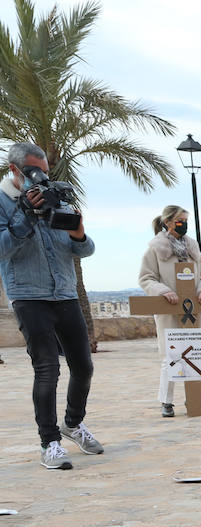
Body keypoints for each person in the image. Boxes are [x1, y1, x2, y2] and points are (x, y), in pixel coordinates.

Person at [1, 140, 99, 469]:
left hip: (65, 293)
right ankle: (50, 442)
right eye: (33, 172)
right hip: (29, 296)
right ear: (14, 170)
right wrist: (26, 217)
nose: (41, 178)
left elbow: (84, 251)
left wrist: (79, 233)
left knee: (83, 366)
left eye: (44, 171)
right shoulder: (3, 202)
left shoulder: (56, 194)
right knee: (47, 369)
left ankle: (72, 424)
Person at [139, 205, 201, 417]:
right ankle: (167, 401)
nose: (184, 224)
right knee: (171, 356)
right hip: (170, 310)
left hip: (193, 310)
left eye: (185, 220)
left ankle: (193, 399)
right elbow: (146, 278)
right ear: (168, 222)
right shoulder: (155, 250)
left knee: (194, 353)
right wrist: (163, 291)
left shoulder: (193, 249)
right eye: (180, 220)